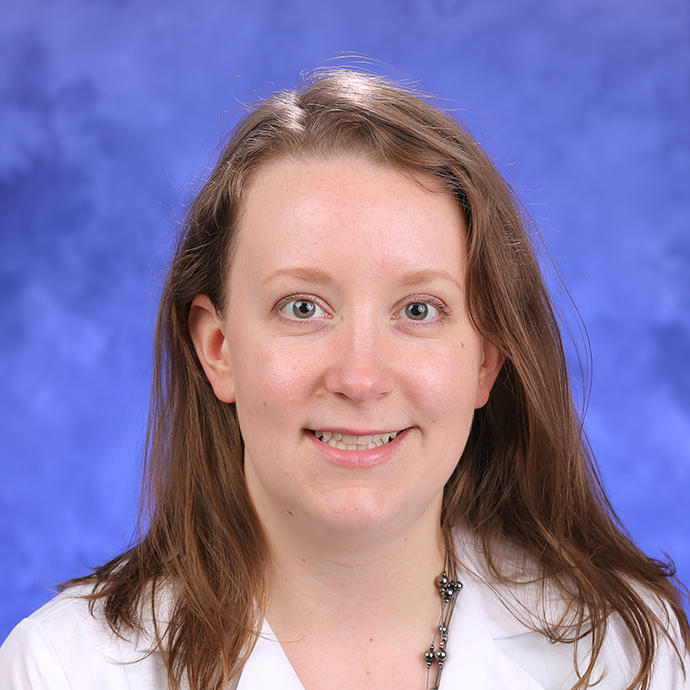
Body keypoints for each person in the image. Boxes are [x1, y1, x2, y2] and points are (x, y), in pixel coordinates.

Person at [1, 68, 688, 690]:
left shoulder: (629, 656)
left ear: (487, 359)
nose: (360, 378)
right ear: (218, 349)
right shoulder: (62, 668)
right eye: (302, 308)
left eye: (419, 310)